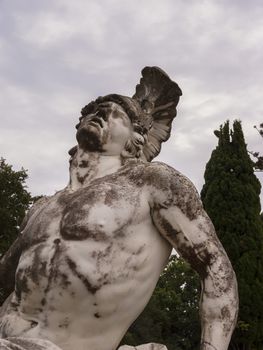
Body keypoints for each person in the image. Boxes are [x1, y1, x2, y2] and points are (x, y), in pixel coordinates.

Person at [0, 67, 238, 350]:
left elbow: (215, 267)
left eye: (115, 113)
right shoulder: (43, 207)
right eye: (96, 109)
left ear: (135, 139)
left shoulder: (150, 183)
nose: (100, 113)